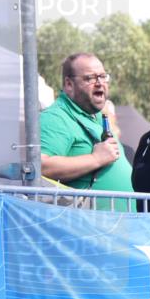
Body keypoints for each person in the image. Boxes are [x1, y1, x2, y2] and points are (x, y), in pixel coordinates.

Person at [39, 53, 133, 209]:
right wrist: (96, 159)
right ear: (69, 84)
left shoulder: (95, 116)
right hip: (91, 228)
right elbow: (41, 166)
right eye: (90, 78)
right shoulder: (56, 117)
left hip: (118, 225)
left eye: (103, 76)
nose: (99, 83)